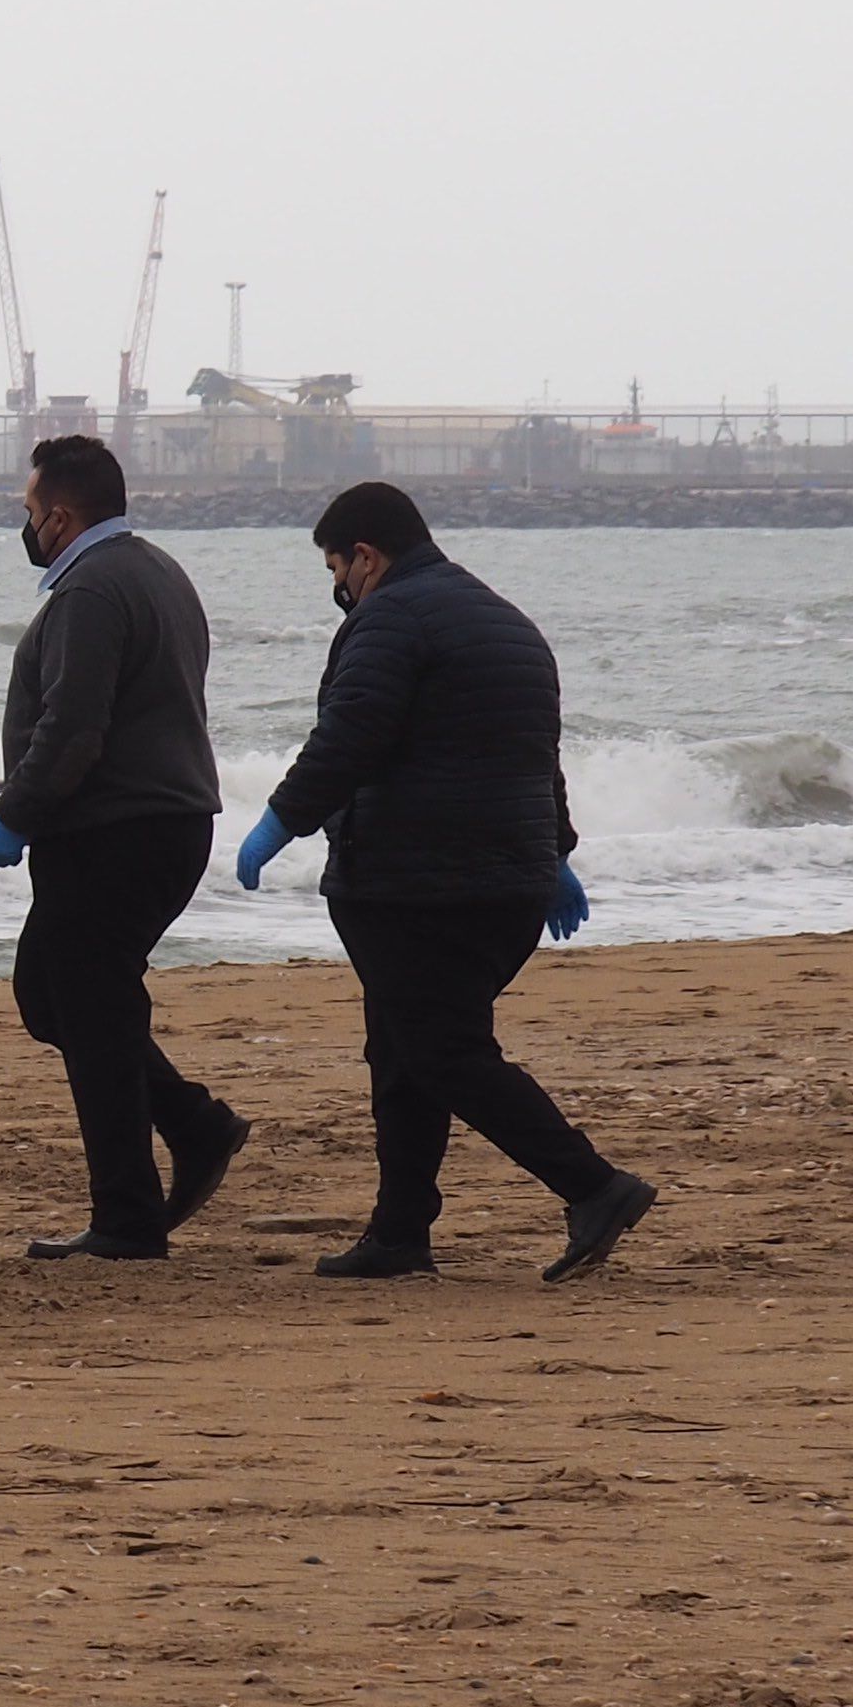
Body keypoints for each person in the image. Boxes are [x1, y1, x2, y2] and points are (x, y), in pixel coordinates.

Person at [234, 477, 657, 1283]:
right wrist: (555, 854)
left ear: (366, 554)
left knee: (441, 1049)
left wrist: (280, 819)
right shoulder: (504, 620)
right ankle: (398, 1234)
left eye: (336, 569)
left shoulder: (392, 617)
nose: (337, 589)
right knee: (402, 1048)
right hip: (505, 881)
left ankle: (594, 1186)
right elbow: (531, 757)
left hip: (421, 883)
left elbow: (349, 735)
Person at [0, 432, 245, 1260]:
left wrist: (16, 815)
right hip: (161, 825)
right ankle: (197, 1125)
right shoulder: (155, 570)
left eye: (27, 511)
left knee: (90, 1007)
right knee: (54, 998)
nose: (25, 525)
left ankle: (127, 1216)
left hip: (117, 832)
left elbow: (73, 726)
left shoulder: (90, 590)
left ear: (57, 517)